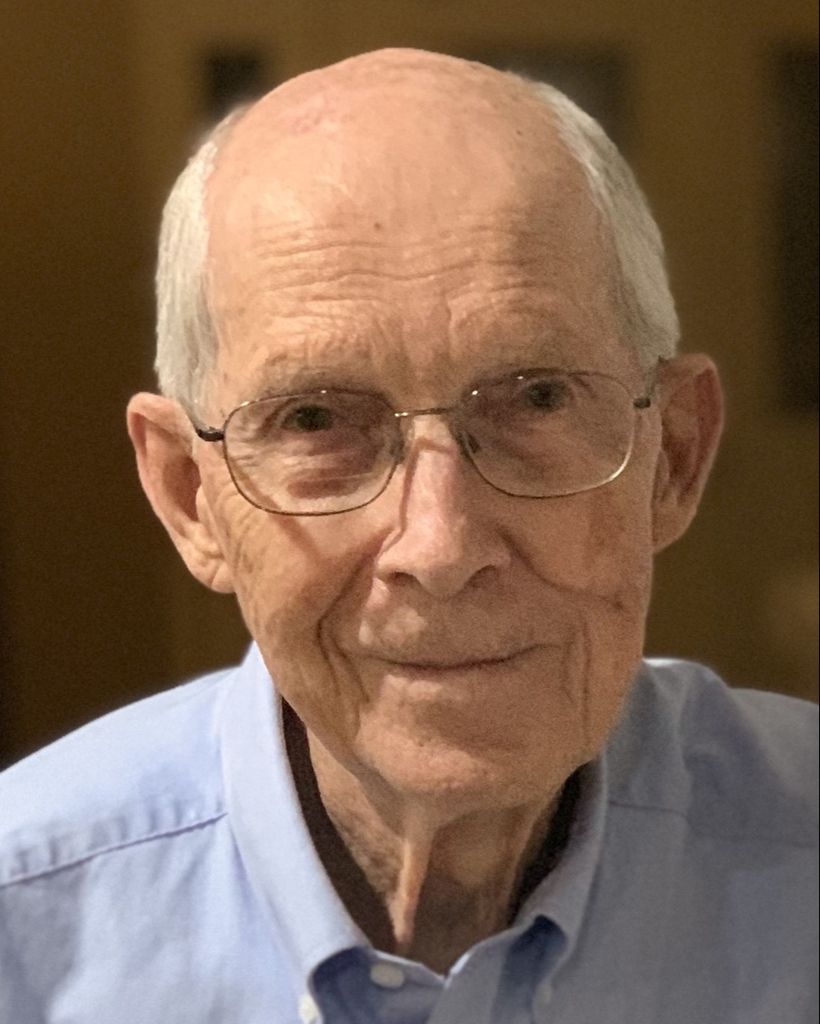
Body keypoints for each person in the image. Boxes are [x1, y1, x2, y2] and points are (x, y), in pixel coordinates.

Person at [0, 48, 816, 1024]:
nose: (439, 546)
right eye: (315, 420)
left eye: (536, 397)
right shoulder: (26, 936)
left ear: (672, 456)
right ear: (191, 496)